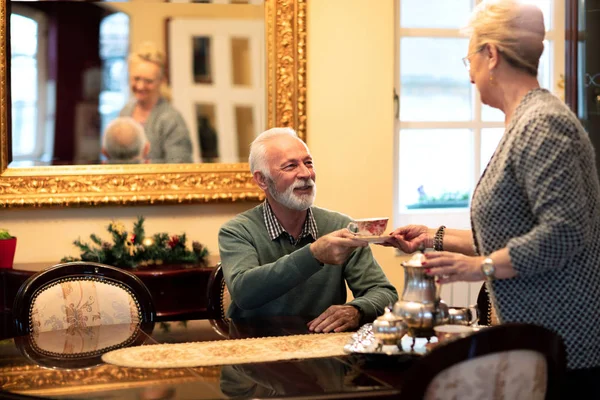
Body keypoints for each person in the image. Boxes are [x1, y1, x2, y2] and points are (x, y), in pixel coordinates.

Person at [384, 0, 600, 394]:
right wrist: (433, 237)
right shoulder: (526, 120)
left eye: (469, 61)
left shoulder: (543, 124)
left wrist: (478, 268)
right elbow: (516, 235)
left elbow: (563, 235)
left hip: (570, 347)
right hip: (544, 340)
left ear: (491, 54)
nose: (470, 77)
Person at [218, 127, 398, 333]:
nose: (305, 174)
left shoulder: (341, 226)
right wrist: (314, 255)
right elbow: (244, 292)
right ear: (262, 180)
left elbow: (383, 291)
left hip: (322, 348)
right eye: (290, 166)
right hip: (254, 350)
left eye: (308, 163)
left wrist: (356, 310)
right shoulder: (237, 231)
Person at [120, 41, 193, 163]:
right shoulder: (125, 112)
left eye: (148, 81)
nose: (140, 86)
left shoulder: (171, 119)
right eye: (136, 78)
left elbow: (180, 167)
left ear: (162, 80)